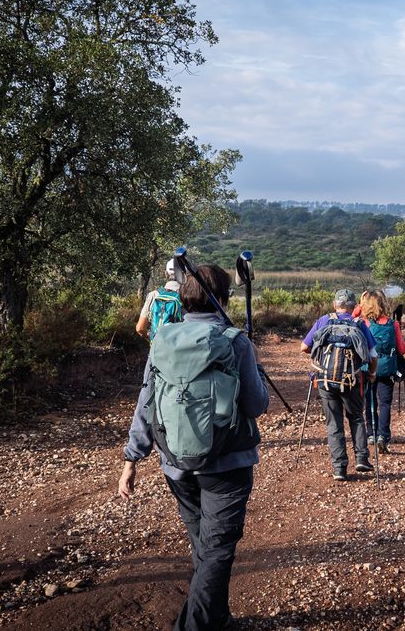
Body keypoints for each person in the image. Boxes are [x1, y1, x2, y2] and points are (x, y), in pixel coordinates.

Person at [118, 264, 268, 631]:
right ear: (224, 299)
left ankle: (218, 619)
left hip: (176, 465)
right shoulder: (235, 341)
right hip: (228, 466)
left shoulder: (164, 339)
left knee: (204, 545)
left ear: (185, 296)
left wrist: (132, 458)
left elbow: (147, 401)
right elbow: (256, 405)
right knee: (217, 550)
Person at [300, 289, 377, 481]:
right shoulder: (359, 324)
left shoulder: (324, 320)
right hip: (353, 380)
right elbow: (373, 355)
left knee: (333, 423)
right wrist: (371, 374)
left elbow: (304, 347)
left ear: (335, 305)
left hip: (325, 380)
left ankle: (339, 468)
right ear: (353, 308)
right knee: (356, 417)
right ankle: (361, 459)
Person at [357, 290, 405, 454]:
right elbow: (402, 349)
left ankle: (371, 433)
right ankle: (383, 436)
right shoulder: (393, 324)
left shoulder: (364, 323)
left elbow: (350, 319)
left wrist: (360, 303)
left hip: (368, 368)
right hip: (388, 369)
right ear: (383, 303)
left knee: (370, 401)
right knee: (385, 404)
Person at [135, 259, 182, 340]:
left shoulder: (153, 295)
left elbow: (140, 328)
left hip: (157, 349)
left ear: (165, 273)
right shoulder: (188, 296)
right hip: (180, 348)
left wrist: (152, 339)